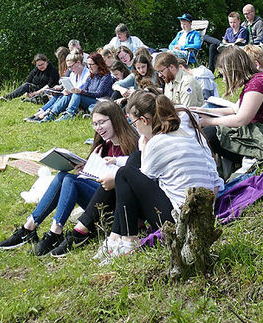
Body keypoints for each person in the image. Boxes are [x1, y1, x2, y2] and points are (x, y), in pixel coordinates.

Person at [86, 91, 222, 262]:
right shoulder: (187, 135)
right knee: (132, 162)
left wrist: (143, 147)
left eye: (133, 123)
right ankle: (115, 237)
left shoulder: (157, 143)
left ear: (144, 120)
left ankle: (127, 240)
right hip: (204, 208)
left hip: (182, 218)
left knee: (124, 174)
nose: (135, 128)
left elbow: (141, 180)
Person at [0, 101, 139, 254]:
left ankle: (55, 232)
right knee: (62, 176)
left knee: (70, 180)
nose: (98, 128)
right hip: (97, 193)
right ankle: (29, 226)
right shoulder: (103, 144)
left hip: (113, 202)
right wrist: (85, 169)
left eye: (102, 123)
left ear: (115, 119)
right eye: (95, 124)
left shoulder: (131, 144)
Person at [198, 48, 263, 177]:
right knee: (212, 130)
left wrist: (209, 121)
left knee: (210, 134)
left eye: (224, 75)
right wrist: (203, 111)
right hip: (261, 132)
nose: (224, 80)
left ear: (233, 71)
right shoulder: (255, 82)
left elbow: (241, 119)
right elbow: (235, 110)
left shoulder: (258, 84)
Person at [51, 52, 115, 121]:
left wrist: (80, 91)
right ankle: (52, 113)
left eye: (91, 64)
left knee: (77, 94)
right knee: (70, 95)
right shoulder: (90, 76)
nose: (89, 67)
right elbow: (84, 91)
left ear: (98, 64)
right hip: (91, 100)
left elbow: (99, 94)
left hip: (101, 102)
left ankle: (70, 113)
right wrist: (73, 91)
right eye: (88, 64)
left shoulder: (106, 77)